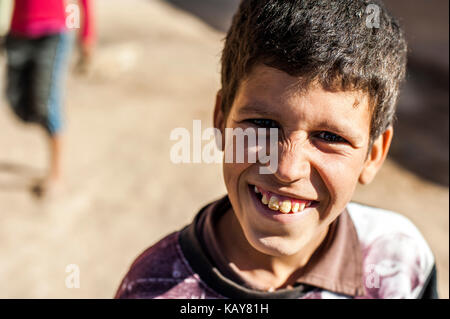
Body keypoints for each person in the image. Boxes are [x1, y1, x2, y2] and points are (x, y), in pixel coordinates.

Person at [115, 0, 438, 299]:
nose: (286, 168)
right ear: (220, 120)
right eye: (264, 125)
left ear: (374, 155)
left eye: (329, 136)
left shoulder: (401, 261)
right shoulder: (152, 288)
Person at [4, 0, 95, 196]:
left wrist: (87, 34)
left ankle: (56, 174)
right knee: (15, 101)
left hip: (53, 32)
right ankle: (44, 118)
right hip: (18, 30)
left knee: (48, 101)